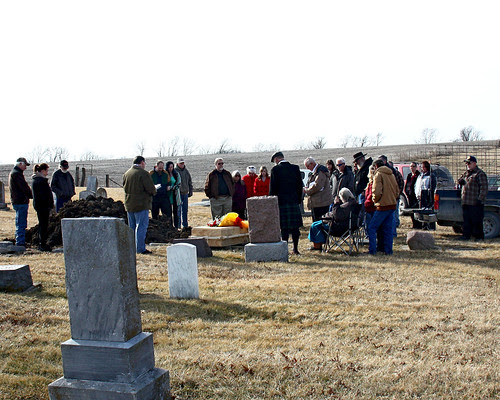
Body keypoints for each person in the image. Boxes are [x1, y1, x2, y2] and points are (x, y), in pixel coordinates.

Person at [270, 151, 303, 255]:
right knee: (295, 227)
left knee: (284, 228)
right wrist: (298, 200)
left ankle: (285, 250)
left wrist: (273, 202)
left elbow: (273, 189)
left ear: (276, 159)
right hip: (294, 201)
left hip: (282, 202)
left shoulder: (275, 170)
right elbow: (299, 186)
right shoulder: (295, 168)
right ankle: (295, 249)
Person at [123, 156, 157, 254]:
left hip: (129, 204)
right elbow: (150, 189)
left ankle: (132, 247)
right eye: (144, 163)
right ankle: (140, 249)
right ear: (142, 162)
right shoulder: (143, 174)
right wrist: (154, 190)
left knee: (132, 228)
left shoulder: (127, 173)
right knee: (141, 227)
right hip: (141, 204)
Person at [367, 159, 399, 255]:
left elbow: (376, 191)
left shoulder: (378, 175)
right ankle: (388, 251)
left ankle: (372, 250)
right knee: (388, 230)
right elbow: (397, 190)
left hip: (382, 206)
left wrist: (375, 200)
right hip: (392, 205)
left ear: (376, 166)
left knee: (372, 227)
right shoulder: (391, 174)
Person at [457, 155, 488, 240]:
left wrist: (480, 199)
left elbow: (484, 188)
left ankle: (478, 237)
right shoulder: (466, 173)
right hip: (465, 201)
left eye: (469, 163)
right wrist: (460, 181)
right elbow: (459, 180)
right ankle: (466, 236)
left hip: (475, 203)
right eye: (466, 163)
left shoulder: (480, 174)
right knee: (466, 221)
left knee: (476, 221)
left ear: (474, 163)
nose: (467, 165)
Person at [8, 157, 33, 247]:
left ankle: (19, 240)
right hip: (21, 201)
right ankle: (20, 242)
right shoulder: (17, 174)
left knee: (19, 222)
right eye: (25, 165)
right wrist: (31, 195)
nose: (26, 167)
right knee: (21, 223)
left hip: (17, 201)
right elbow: (24, 188)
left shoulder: (14, 173)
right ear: (20, 164)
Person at [31, 163, 54, 251]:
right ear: (42, 170)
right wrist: (49, 204)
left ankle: (43, 243)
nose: (47, 173)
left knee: (43, 225)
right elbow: (44, 195)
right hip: (42, 206)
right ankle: (42, 244)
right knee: (43, 225)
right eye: (46, 170)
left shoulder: (38, 180)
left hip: (41, 206)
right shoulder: (40, 181)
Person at [303, 157, 332, 222]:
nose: (307, 168)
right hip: (317, 202)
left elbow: (318, 185)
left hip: (321, 203)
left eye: (307, 166)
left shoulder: (320, 172)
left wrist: (307, 191)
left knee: (320, 223)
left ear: (312, 164)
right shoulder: (315, 172)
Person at [415, 160, 437, 230]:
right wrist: (418, 194)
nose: (422, 168)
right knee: (422, 211)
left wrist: (430, 195)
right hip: (421, 195)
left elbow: (432, 186)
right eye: (421, 167)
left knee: (429, 211)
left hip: (428, 195)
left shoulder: (431, 175)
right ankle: (424, 225)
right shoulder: (420, 175)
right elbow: (418, 185)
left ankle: (431, 226)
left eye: (423, 167)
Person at [174, 157, 193, 229]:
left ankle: (185, 225)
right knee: (178, 211)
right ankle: (178, 226)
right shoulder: (175, 171)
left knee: (185, 210)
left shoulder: (186, 171)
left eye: (183, 163)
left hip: (185, 193)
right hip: (178, 194)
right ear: (177, 163)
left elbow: (189, 182)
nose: (182, 164)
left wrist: (190, 191)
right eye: (181, 163)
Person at [404, 162, 422, 229]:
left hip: (415, 196)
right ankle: (414, 224)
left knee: (416, 210)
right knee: (411, 211)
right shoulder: (409, 175)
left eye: (413, 166)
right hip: (409, 196)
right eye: (411, 166)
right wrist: (406, 191)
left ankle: (418, 225)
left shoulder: (418, 175)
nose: (412, 168)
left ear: (416, 167)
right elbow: (407, 184)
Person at [166, 161, 182, 228]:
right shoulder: (165, 174)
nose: (170, 168)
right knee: (168, 212)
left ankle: (176, 226)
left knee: (176, 212)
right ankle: (170, 226)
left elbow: (179, 183)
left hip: (175, 194)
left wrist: (172, 187)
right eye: (169, 167)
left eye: (172, 167)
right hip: (168, 195)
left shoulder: (176, 174)